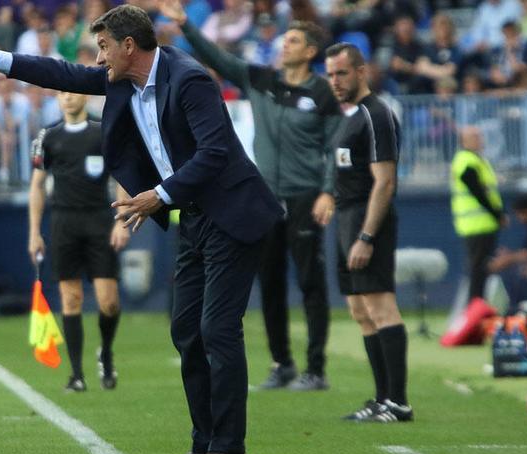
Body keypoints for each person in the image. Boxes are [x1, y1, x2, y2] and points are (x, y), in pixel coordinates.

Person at [0, 4, 283, 454]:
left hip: (234, 214)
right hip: (197, 217)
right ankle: (205, 444)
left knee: (217, 331)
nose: (98, 59)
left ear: (128, 45)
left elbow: (216, 152)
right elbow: (62, 73)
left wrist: (158, 196)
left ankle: (229, 449)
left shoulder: (189, 80)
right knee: (186, 330)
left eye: (103, 47)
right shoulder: (120, 79)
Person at [159, 0, 341, 391]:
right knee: (269, 282)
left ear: (310, 51)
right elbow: (218, 59)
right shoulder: (262, 79)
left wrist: (329, 192)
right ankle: (282, 364)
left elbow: (335, 147)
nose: (283, 45)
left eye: (292, 40)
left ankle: (316, 368)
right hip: (267, 199)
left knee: (311, 284)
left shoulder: (323, 93)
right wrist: (187, 27)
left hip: (307, 196)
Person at [325, 42, 413, 423]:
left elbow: (385, 182)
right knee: (360, 309)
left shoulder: (377, 115)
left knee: (380, 306)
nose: (335, 81)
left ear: (362, 72)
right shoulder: (352, 116)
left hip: (365, 221)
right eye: (330, 74)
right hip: (346, 219)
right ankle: (381, 398)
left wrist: (366, 236)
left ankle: (398, 402)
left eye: (342, 73)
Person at [29, 91, 129, 392]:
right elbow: (37, 185)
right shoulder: (47, 136)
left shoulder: (104, 132)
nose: (68, 97)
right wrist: (34, 232)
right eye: (62, 93)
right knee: (71, 298)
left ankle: (106, 352)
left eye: (73, 91)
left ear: (85, 96)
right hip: (63, 222)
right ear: (57, 99)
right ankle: (76, 374)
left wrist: (121, 221)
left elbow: (122, 178)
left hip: (99, 220)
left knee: (108, 302)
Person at [450, 126, 504, 303]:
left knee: (481, 271)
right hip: (476, 225)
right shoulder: (466, 161)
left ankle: (478, 307)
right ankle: (475, 309)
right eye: (475, 136)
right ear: (464, 141)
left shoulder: (477, 159)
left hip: (483, 224)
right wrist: (497, 214)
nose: (480, 139)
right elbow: (478, 192)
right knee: (478, 271)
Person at [488, 194, 527, 308]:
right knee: (520, 271)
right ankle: (517, 308)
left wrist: (507, 259)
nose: (520, 219)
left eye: (521, 214)